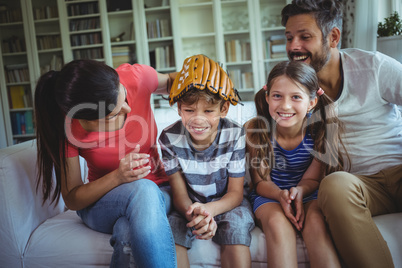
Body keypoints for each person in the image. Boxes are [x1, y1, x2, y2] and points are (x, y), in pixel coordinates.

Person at [281, 0, 402, 267]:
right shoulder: (295, 89)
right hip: (358, 187)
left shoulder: (374, 67)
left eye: (305, 37)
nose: (293, 47)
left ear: (333, 37)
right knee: (334, 184)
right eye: (289, 38)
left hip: (398, 169)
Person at [34, 59, 178, 268]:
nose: (128, 109)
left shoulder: (135, 77)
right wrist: (117, 177)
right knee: (143, 189)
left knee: (126, 231)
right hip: (102, 204)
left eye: (124, 96)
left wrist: (203, 77)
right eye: (115, 113)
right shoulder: (68, 129)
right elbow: (73, 199)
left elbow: (174, 81)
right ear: (87, 120)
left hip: (159, 192)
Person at [245, 60, 349, 267]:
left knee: (316, 224)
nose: (285, 105)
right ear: (267, 97)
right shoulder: (256, 129)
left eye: (296, 97)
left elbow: (312, 178)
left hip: (308, 193)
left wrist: (298, 191)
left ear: (311, 102)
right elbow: (261, 181)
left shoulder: (322, 130)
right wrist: (281, 195)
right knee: (277, 224)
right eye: (277, 96)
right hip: (269, 194)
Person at [158, 55, 255, 268]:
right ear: (179, 108)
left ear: (224, 109)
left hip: (227, 202)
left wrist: (211, 210)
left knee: (237, 225)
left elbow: (236, 193)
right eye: (189, 110)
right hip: (189, 205)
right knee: (172, 229)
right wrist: (196, 212)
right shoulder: (168, 138)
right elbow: (179, 194)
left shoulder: (235, 134)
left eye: (208, 111)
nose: (198, 119)